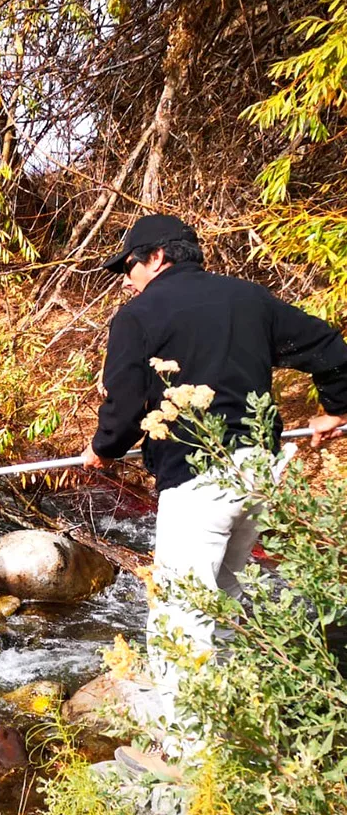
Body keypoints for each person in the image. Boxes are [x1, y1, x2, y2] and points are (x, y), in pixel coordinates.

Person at [81, 213, 347, 761]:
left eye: (129, 266)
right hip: (258, 472)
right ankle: (230, 730)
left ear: (156, 257)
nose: (126, 279)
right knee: (222, 600)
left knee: (180, 615)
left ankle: (188, 760)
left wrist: (101, 449)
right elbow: (327, 344)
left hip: (197, 482)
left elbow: (126, 405)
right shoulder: (249, 299)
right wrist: (335, 408)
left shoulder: (137, 315)